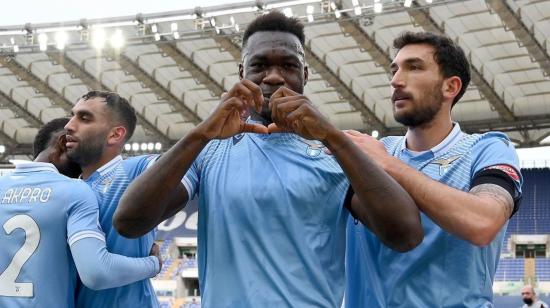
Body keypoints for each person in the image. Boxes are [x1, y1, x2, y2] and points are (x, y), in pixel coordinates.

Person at [113, 11, 423, 307]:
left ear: (304, 75)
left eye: (288, 66)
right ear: (241, 73)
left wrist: (331, 136)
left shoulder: (335, 153)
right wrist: (200, 134)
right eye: (259, 65)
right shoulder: (208, 151)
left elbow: (405, 235)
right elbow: (129, 222)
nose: (273, 77)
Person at [344, 31, 523, 307]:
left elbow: (483, 223)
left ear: (450, 87)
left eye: (414, 67)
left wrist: (388, 166)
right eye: (394, 70)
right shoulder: (364, 153)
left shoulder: (487, 149)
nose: (396, 80)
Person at [0, 118, 161, 308]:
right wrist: (153, 264)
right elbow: (96, 273)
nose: (84, 171)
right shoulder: (73, 190)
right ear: (63, 143)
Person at [64, 92, 171, 307]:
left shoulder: (136, 171)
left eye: (84, 118)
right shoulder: (67, 189)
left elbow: (182, 165)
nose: (69, 125)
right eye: (72, 115)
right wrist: (152, 264)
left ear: (115, 135)